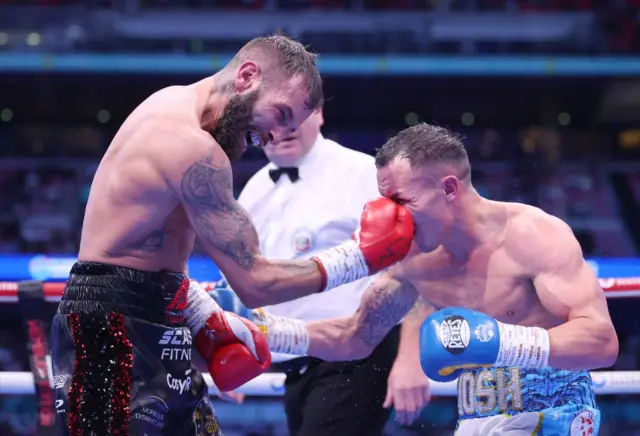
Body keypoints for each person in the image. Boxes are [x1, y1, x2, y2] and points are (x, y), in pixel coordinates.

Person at [48, 35, 414, 436]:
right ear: (246, 76)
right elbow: (255, 282)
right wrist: (361, 256)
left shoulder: (173, 105)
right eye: (280, 113)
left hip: (154, 308)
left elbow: (143, 250)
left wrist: (198, 311)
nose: (273, 136)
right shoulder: (192, 147)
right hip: (112, 328)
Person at [242, 123, 619, 435]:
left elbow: (601, 341)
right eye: (385, 204)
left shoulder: (531, 235)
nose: (394, 218)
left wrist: (502, 341)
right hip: (478, 421)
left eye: (402, 203)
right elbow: (355, 337)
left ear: (449, 188)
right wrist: (268, 332)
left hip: (556, 417)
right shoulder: (414, 262)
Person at [235, 108, 431, 434]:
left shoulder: (364, 174)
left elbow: (417, 266)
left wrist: (411, 356)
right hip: (294, 363)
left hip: (360, 357)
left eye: (290, 115)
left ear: (318, 112)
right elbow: (247, 285)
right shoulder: (254, 191)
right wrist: (234, 356)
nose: (282, 128)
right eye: (271, 119)